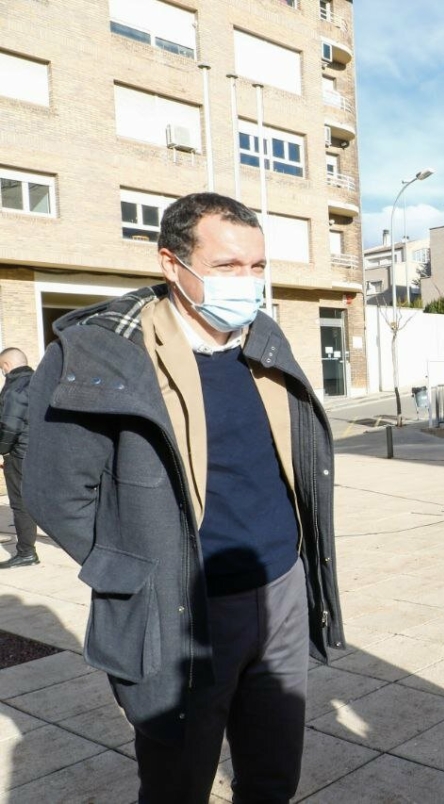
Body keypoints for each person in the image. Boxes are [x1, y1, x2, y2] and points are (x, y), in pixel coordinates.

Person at [23, 192, 343, 803]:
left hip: (280, 593)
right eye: (227, 267)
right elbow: (54, 490)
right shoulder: (102, 352)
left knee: (274, 777)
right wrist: (136, 567)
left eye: (256, 267)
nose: (247, 283)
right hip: (182, 611)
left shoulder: (264, 340)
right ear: (173, 264)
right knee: (177, 786)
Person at [0, 348, 38, 568]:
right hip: (38, 451)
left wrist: (2, 451)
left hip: (19, 454)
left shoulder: (14, 390)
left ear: (6, 365)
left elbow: (9, 427)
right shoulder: (39, 382)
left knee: (20, 504)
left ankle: (26, 553)